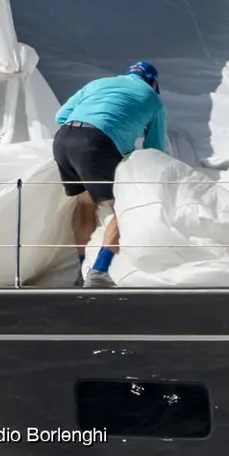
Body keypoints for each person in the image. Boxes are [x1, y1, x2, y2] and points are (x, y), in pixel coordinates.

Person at [52, 61, 166, 288]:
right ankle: (99, 271)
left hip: (63, 140)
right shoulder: (153, 100)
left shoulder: (99, 83)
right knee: (125, 206)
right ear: (153, 83)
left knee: (85, 203)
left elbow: (60, 116)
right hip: (97, 143)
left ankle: (81, 269)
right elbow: (155, 147)